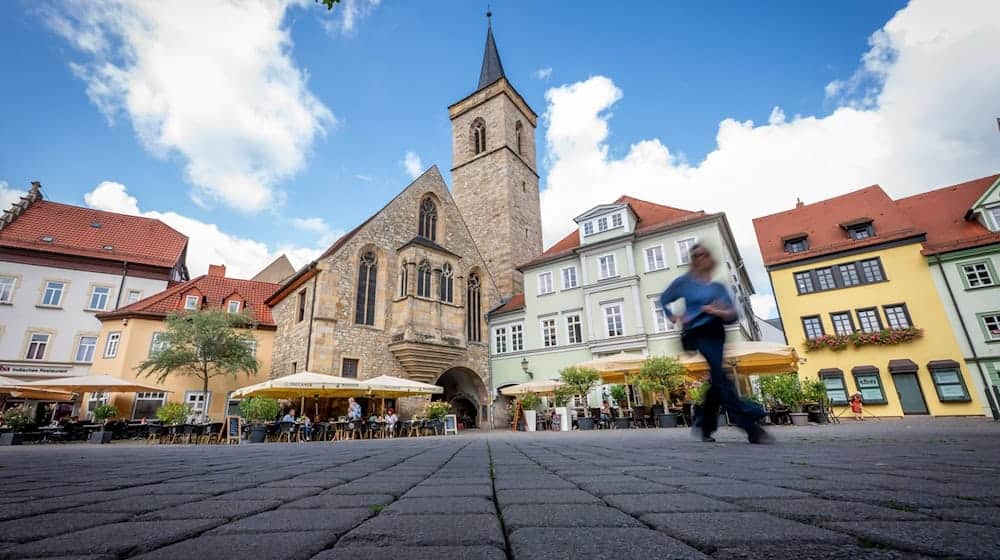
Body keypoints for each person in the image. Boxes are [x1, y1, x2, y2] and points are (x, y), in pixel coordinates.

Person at [660, 243, 770, 444]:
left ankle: (705, 425)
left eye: (703, 255)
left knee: (717, 381)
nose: (699, 259)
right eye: (695, 256)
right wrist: (674, 316)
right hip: (697, 332)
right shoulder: (684, 283)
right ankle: (749, 422)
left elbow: (732, 315)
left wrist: (717, 311)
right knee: (720, 377)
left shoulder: (718, 288)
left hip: (716, 332)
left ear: (709, 258)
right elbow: (664, 299)